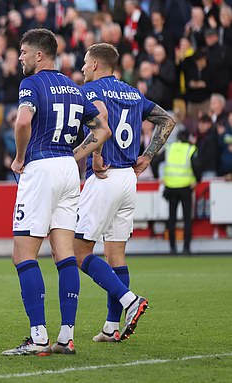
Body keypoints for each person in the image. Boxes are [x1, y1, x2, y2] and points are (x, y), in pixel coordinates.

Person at [1, 29, 111, 357]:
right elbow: (102, 128)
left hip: (40, 169)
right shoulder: (74, 88)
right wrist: (74, 156)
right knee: (64, 255)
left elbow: (22, 122)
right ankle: (66, 336)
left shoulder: (31, 84)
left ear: (38, 55)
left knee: (23, 254)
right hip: (67, 170)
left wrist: (19, 158)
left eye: (22, 52)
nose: (19, 57)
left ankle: (37, 337)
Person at [76, 43, 176, 343]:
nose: (82, 68)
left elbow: (102, 116)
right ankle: (110, 327)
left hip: (105, 176)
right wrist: (148, 155)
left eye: (84, 63)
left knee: (79, 251)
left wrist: (96, 154)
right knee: (115, 253)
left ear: (95, 64)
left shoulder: (93, 90)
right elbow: (167, 120)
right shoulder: (133, 93)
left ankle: (130, 300)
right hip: (129, 180)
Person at [163, 129, 200, 255]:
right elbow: (196, 166)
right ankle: (186, 248)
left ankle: (172, 248)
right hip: (186, 187)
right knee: (187, 219)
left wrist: (161, 177)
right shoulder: (190, 149)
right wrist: (197, 180)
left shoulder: (170, 148)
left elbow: (156, 161)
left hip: (171, 187)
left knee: (172, 219)